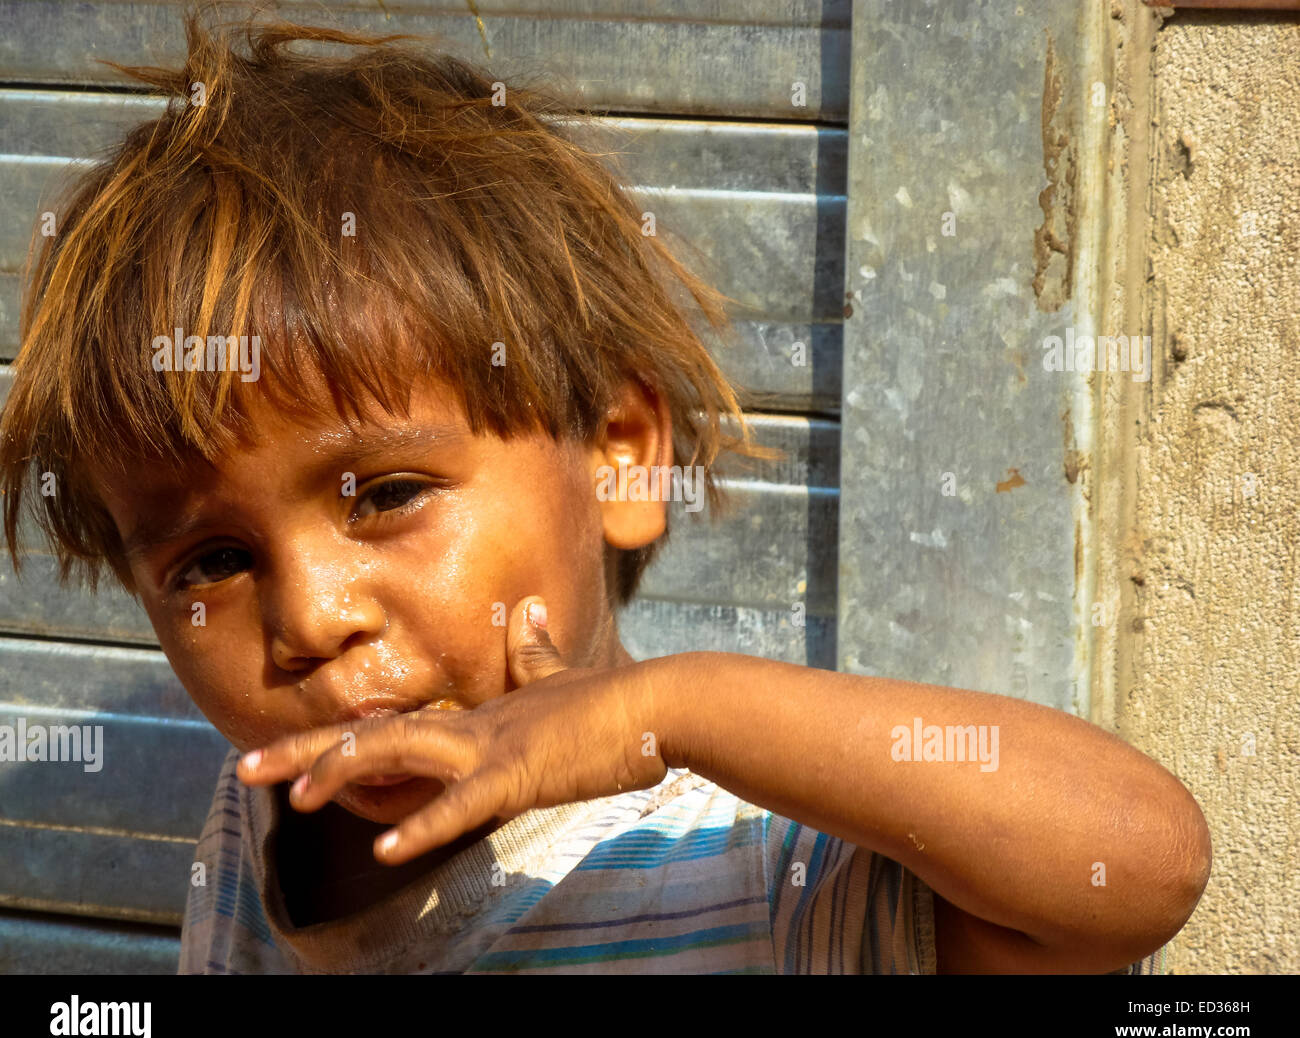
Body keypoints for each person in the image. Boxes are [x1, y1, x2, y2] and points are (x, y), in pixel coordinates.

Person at [0, 13, 1210, 975]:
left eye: (385, 494)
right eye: (210, 561)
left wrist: (672, 711)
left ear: (623, 454)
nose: (309, 619)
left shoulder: (748, 867)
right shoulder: (258, 827)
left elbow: (1142, 862)